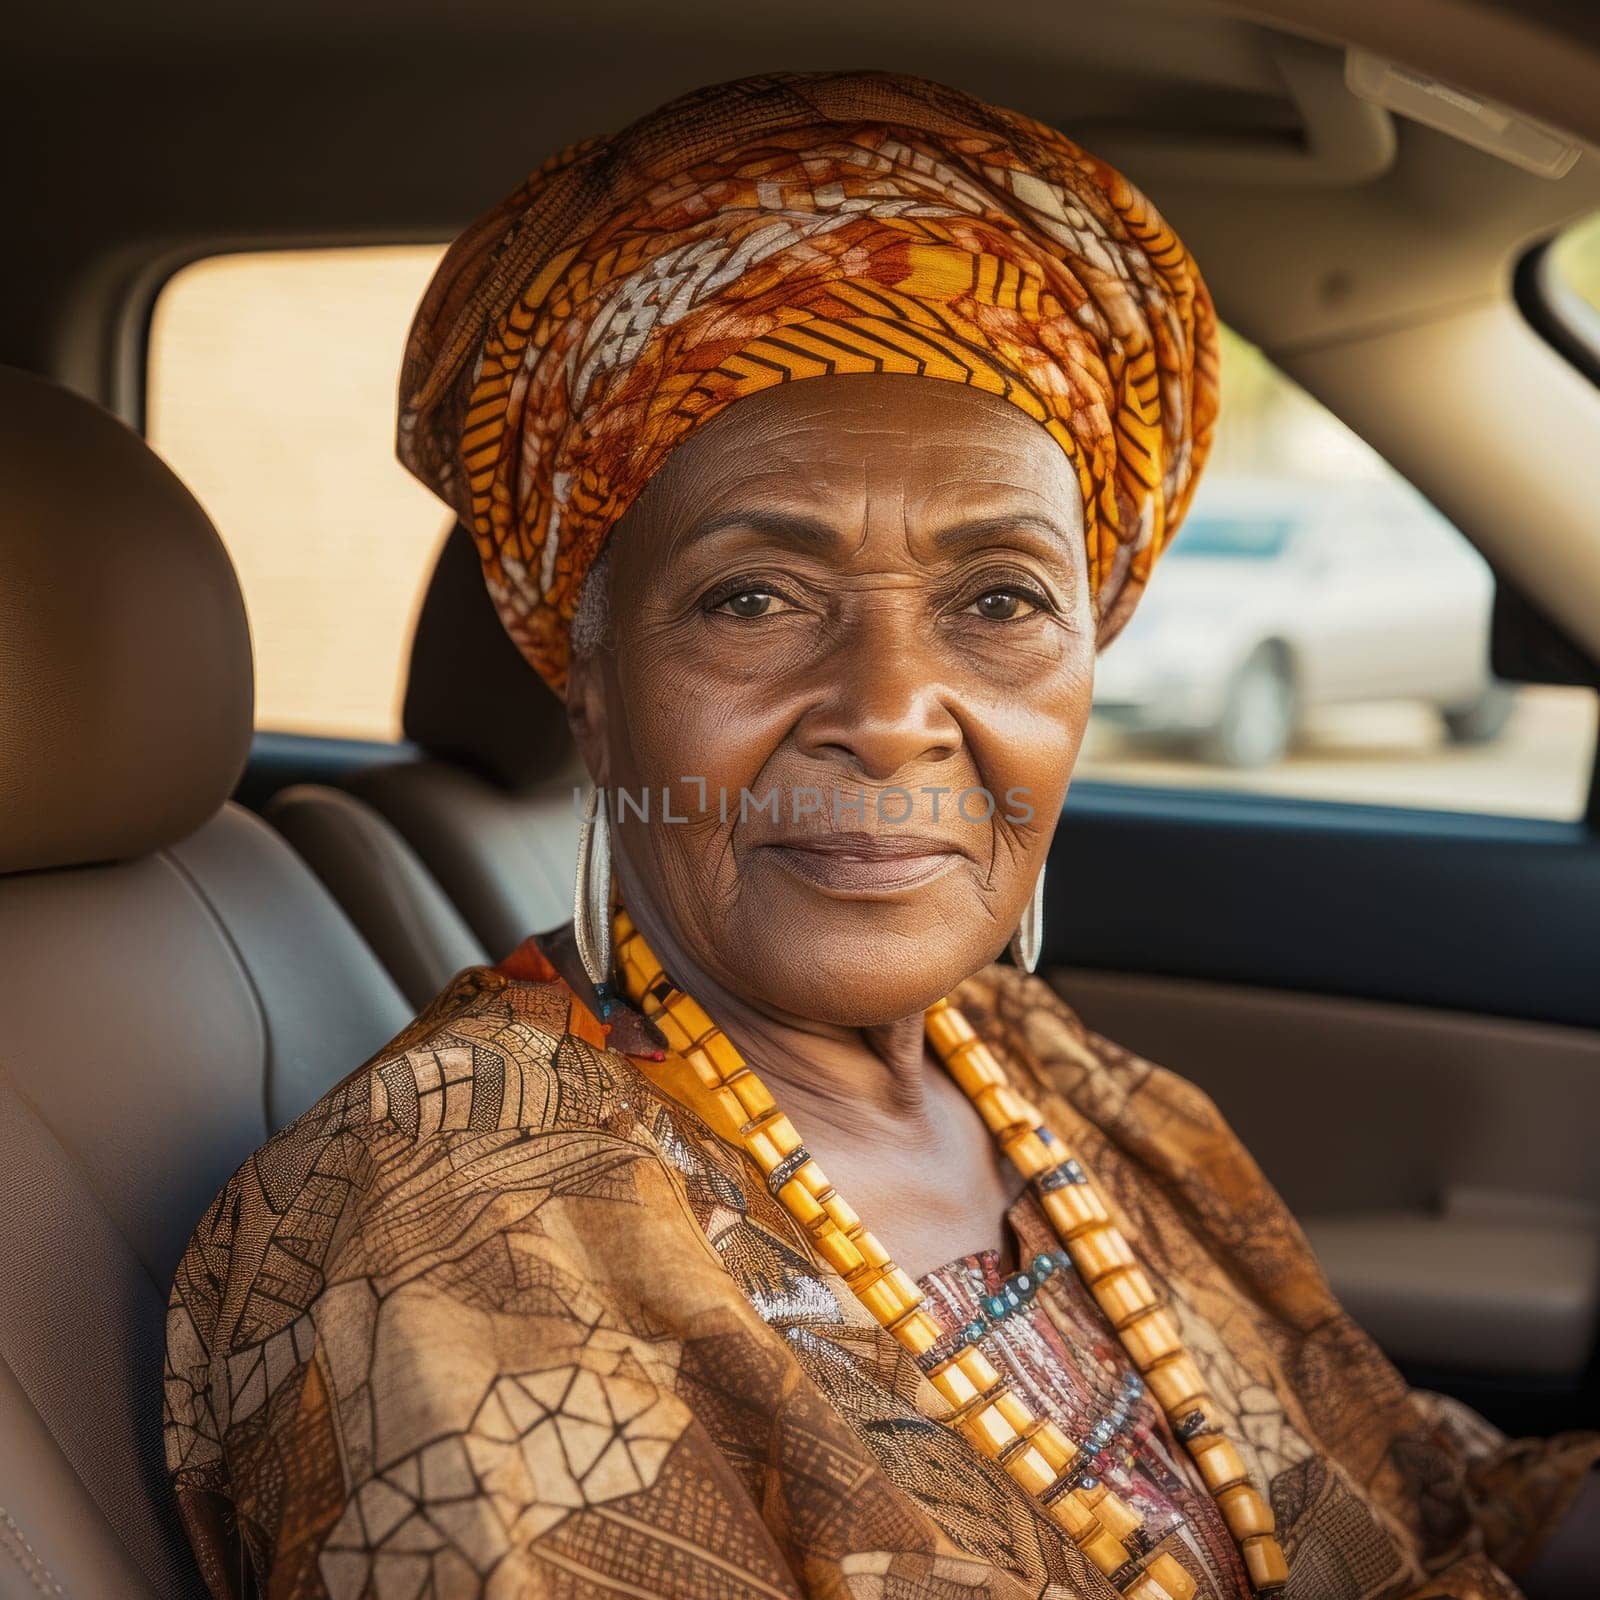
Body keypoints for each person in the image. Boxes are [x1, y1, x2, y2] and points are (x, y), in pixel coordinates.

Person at [163, 69, 1597, 1599]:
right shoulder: (444, 1239)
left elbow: (1418, 1493)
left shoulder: (1041, 1068)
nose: (896, 708)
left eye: (998, 600)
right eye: (754, 599)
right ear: (594, 692)